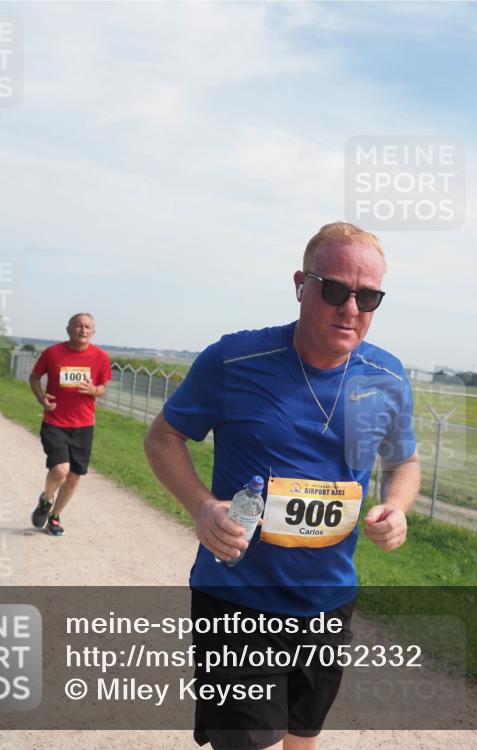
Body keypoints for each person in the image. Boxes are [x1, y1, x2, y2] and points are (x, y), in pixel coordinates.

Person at [144, 222, 421, 750]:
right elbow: (163, 437)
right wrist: (202, 508)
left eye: (369, 297)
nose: (350, 308)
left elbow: (403, 462)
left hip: (328, 601)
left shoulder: (386, 376)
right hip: (239, 600)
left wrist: (398, 506)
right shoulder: (233, 361)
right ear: (302, 284)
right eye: (335, 289)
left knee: (301, 743)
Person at [28, 313, 112, 537]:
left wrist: (94, 391)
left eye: (87, 327)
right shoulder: (53, 353)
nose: (83, 330)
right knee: (60, 469)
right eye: (78, 326)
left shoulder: (100, 357)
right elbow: (34, 377)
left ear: (93, 332)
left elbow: (103, 387)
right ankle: (46, 498)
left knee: (74, 475)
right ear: (68, 329)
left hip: (84, 424)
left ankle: (54, 516)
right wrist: (40, 397)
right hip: (55, 420)